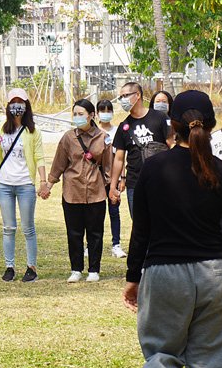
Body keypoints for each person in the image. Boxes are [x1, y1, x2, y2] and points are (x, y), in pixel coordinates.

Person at [123, 90, 222, 368]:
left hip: (162, 276)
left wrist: (133, 277)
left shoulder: (152, 169)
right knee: (211, 361)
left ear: (172, 124)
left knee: (161, 353)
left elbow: (140, 230)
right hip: (217, 278)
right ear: (210, 126)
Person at [0, 88, 47, 283]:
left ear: (26, 105)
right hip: (4, 184)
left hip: (25, 185)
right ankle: (9, 267)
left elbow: (39, 157)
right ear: (7, 105)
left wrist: (43, 181)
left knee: (28, 228)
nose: (16, 106)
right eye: (12, 102)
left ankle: (31, 268)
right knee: (8, 228)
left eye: (20, 102)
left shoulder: (33, 130)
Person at [41, 99, 112, 282]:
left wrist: (112, 187)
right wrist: (49, 184)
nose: (77, 117)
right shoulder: (68, 137)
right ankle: (76, 269)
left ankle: (94, 270)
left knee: (95, 233)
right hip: (72, 191)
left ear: (91, 115)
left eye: (81, 114)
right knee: (74, 233)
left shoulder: (103, 137)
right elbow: (59, 164)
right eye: (75, 114)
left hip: (96, 192)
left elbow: (109, 166)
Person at [108, 82, 174, 218]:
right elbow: (119, 159)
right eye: (121, 98)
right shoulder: (124, 126)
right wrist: (113, 186)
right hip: (135, 183)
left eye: (125, 96)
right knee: (139, 225)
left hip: (161, 181)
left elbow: (172, 146)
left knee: (163, 222)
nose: (123, 100)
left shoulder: (160, 118)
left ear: (138, 95)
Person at [96, 98, 124, 258]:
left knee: (114, 211)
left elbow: (121, 156)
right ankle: (91, 244)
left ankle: (116, 244)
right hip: (95, 179)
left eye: (108, 110)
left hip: (112, 178)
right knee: (95, 214)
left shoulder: (117, 131)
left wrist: (122, 178)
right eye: (102, 111)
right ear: (97, 113)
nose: (105, 114)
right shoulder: (93, 131)